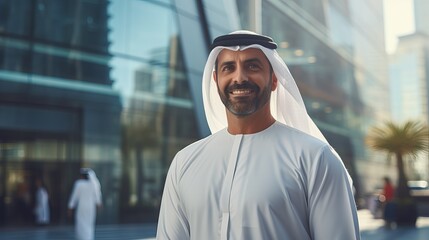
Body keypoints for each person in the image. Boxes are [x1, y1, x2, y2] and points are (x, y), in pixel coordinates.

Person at [156, 30, 360, 240]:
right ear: (216, 80)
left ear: (274, 80)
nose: (239, 78)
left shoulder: (316, 158)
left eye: (252, 66)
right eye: (228, 68)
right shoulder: (184, 162)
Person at [68, 168, 102, 240]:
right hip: (90, 208)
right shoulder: (94, 183)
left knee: (81, 224)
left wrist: (70, 207)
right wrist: (98, 204)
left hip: (81, 207)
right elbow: (98, 197)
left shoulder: (79, 184)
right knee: (89, 224)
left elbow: (74, 197)